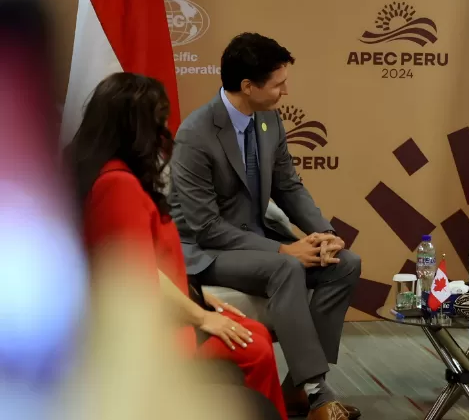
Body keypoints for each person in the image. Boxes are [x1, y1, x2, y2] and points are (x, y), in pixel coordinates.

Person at [67, 72, 287, 420]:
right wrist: (201, 316)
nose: (166, 131)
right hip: (144, 338)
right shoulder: (117, 187)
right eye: (158, 121)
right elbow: (136, 279)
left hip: (154, 315)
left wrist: (193, 294)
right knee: (254, 346)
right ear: (136, 127)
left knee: (252, 332)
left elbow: (149, 261)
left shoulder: (115, 175)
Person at [169, 33, 361, 420]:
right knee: (287, 266)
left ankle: (297, 391)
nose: (285, 91)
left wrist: (325, 234)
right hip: (207, 252)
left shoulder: (268, 119)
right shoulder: (195, 135)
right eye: (278, 84)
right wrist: (283, 249)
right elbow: (206, 227)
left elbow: (288, 186)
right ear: (247, 87)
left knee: (346, 263)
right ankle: (318, 393)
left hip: (254, 237)